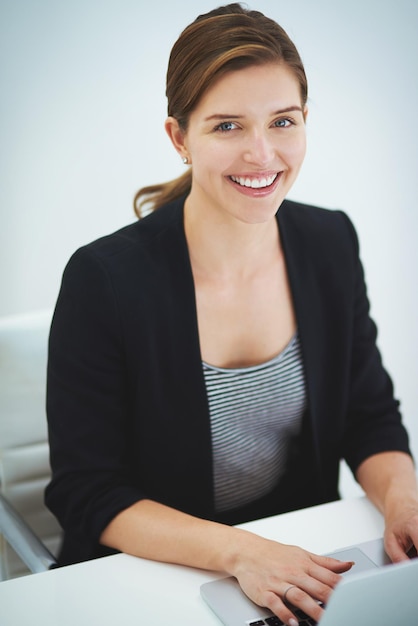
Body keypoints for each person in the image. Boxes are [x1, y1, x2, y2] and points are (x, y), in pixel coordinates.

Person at [45, 4, 418, 625]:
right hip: (151, 577)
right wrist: (243, 552)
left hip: (298, 560)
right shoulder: (105, 280)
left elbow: (367, 415)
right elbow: (89, 492)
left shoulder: (330, 243)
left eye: (283, 121)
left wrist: (403, 498)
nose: (262, 153)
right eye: (227, 127)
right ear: (179, 138)